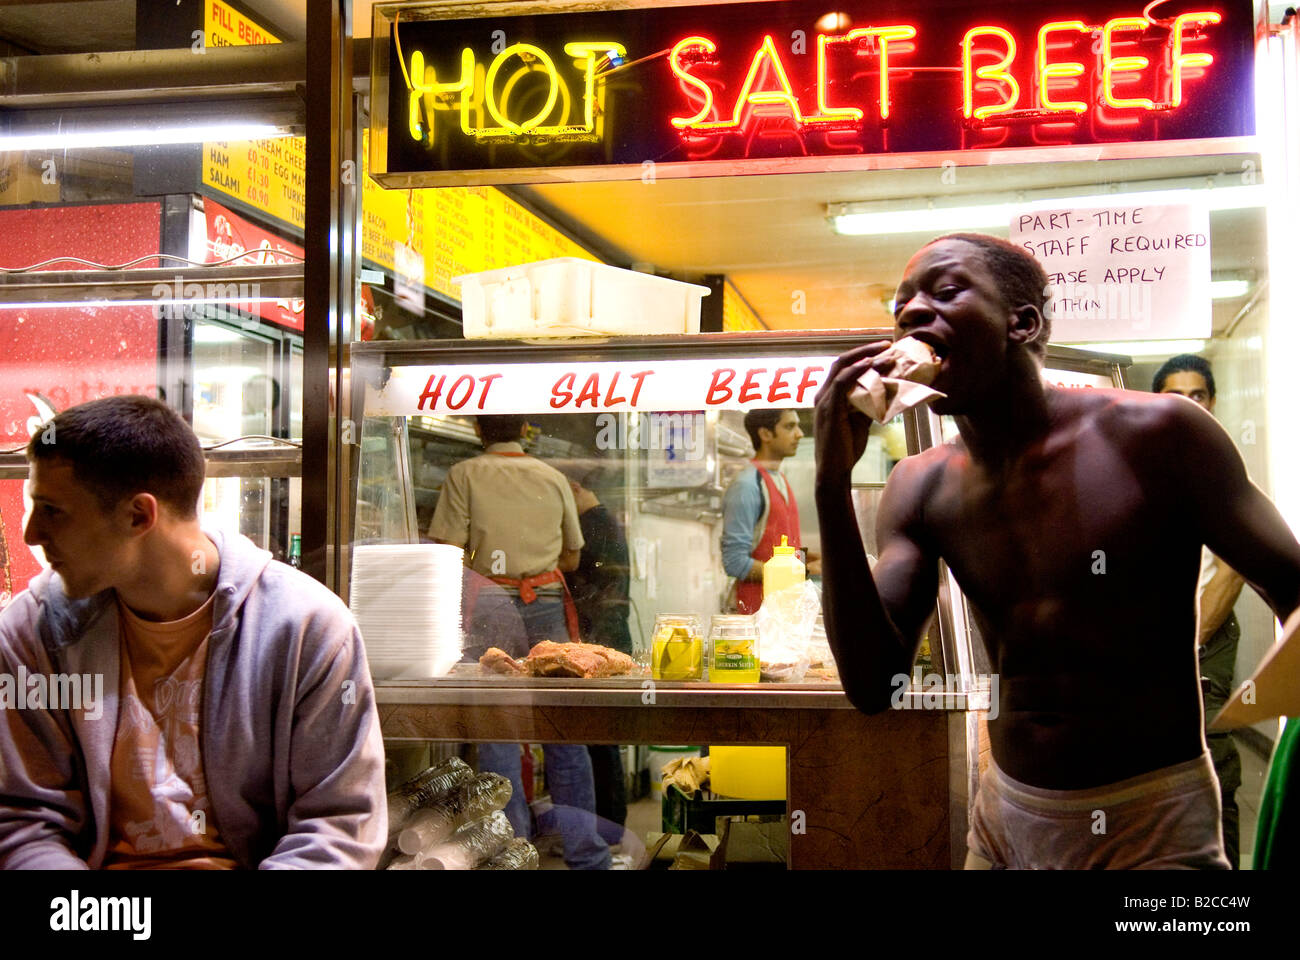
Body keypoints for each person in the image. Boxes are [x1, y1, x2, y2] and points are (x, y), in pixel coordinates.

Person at [814, 233, 1300, 870]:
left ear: (1023, 323)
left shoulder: (1159, 435)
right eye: (902, 303)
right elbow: (874, 684)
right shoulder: (921, 484)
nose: (910, 313)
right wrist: (829, 483)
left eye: (946, 290)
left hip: (1151, 825)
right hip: (1006, 822)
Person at [0, 395, 386, 869]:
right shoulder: (31, 631)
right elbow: (23, 821)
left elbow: (339, 825)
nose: (30, 534)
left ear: (139, 516)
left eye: (53, 510)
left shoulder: (307, 627)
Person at [428, 414, 610, 870]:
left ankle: (512, 856)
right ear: (525, 429)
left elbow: (446, 549)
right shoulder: (552, 477)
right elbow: (572, 555)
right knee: (562, 729)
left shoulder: (464, 473)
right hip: (547, 598)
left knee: (498, 730)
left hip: (490, 600)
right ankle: (588, 856)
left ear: (476, 430)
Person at [1153, 353, 1245, 867]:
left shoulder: (1222, 462)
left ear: (1212, 402)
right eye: (1175, 396)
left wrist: (1187, 646)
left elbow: (1233, 569)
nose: (1189, 406)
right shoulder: (1139, 457)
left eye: (1198, 396)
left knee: (1210, 767)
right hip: (1149, 643)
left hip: (1201, 644)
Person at [558, 461, 632, 845]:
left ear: (573, 487)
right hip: (608, 636)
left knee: (599, 741)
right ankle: (609, 827)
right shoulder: (605, 521)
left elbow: (589, 584)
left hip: (602, 640)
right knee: (603, 741)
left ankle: (608, 828)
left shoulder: (593, 525)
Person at [721, 409, 819, 614]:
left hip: (785, 612)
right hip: (757, 613)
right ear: (765, 434)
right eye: (789, 426)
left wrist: (814, 559)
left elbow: (784, 549)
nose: (800, 433)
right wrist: (803, 571)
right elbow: (734, 562)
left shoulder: (779, 478)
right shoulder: (747, 484)